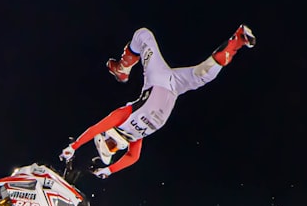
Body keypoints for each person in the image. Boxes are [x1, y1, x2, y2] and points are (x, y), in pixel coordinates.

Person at [59, 24, 256, 178]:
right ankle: (237, 41)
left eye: (109, 144)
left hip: (158, 79)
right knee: (202, 74)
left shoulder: (122, 121)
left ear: (106, 135)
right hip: (175, 87)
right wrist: (108, 170)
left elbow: (96, 128)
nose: (114, 145)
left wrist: (74, 147)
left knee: (144, 35)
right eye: (113, 148)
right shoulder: (134, 137)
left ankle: (122, 68)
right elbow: (132, 157)